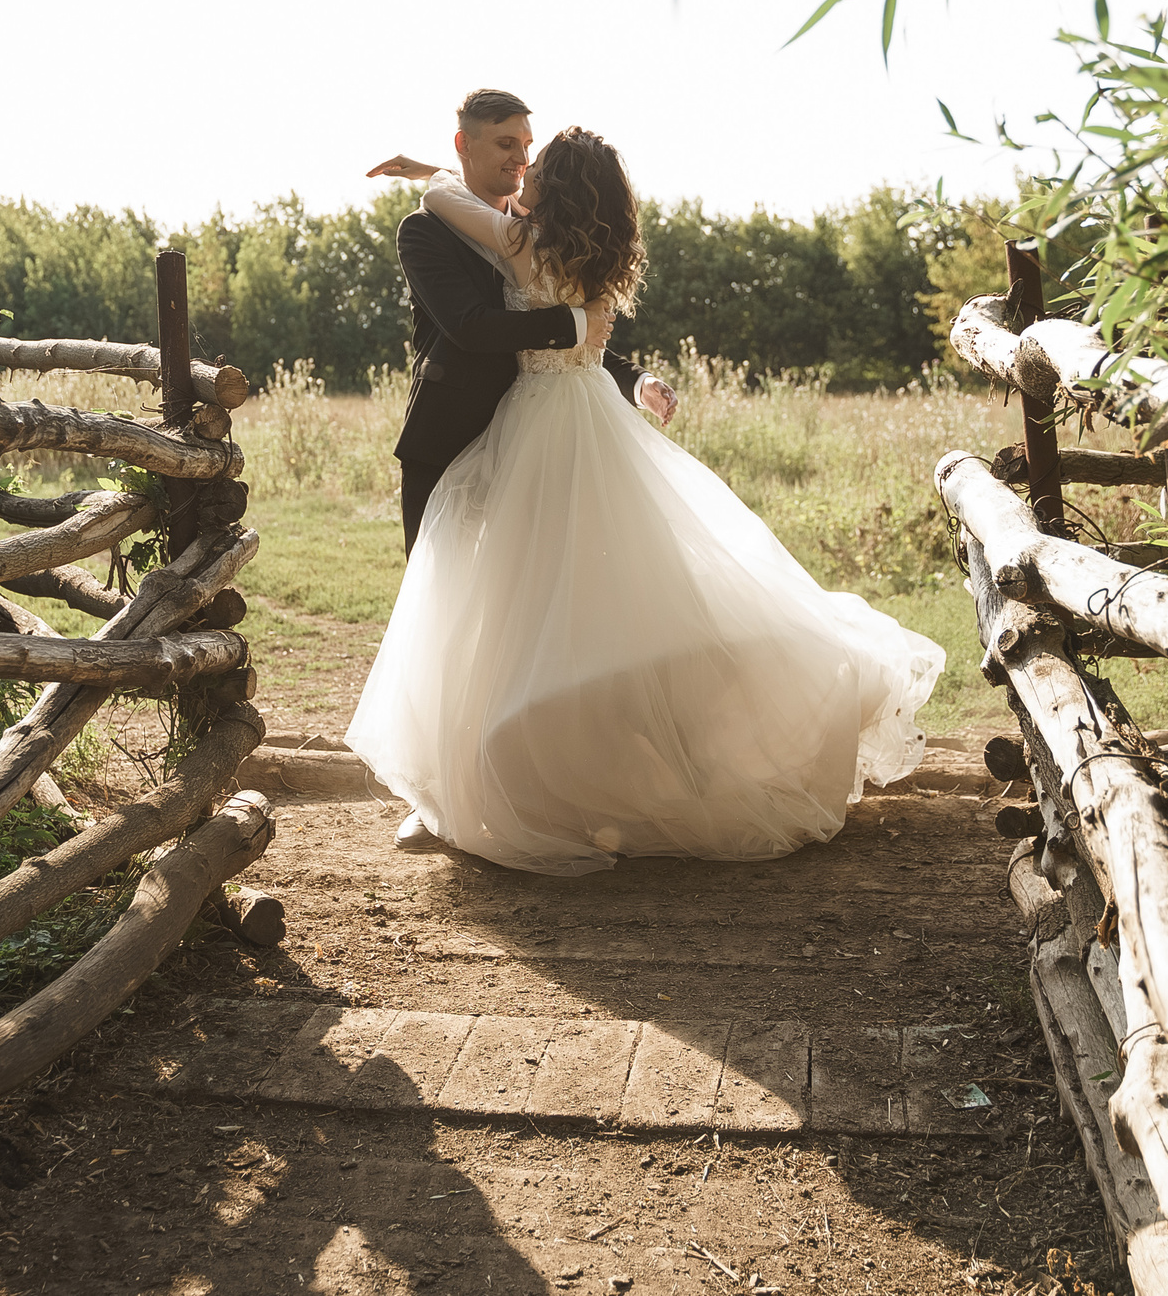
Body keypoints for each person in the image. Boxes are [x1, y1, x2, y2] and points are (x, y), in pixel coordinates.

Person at [347, 123, 945, 875]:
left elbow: (445, 197)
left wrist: (425, 168)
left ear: (555, 189)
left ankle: (523, 774)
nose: (522, 168)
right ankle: (618, 760)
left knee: (517, 602)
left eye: (535, 162)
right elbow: (563, 328)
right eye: (513, 152)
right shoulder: (590, 253)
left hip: (541, 424)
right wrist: (624, 372)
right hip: (591, 413)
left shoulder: (519, 243)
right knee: (619, 590)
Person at [377, 88, 674, 555]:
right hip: (449, 437)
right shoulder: (424, 230)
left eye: (527, 146)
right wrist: (577, 323)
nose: (521, 158)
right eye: (505, 144)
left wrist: (638, 381)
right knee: (441, 601)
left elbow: (582, 341)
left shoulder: (544, 230)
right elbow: (471, 326)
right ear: (464, 145)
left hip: (545, 448)